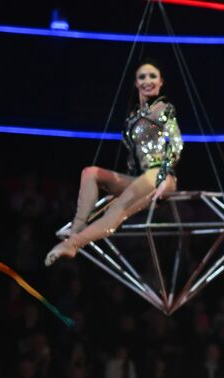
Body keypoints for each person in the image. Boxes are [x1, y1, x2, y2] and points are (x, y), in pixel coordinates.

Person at [45, 61, 182, 267]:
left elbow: (177, 144)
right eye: (142, 77)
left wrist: (163, 177)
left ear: (161, 82)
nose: (148, 81)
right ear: (136, 83)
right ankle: (76, 230)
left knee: (118, 208)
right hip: (140, 178)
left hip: (161, 177)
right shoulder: (133, 116)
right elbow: (134, 157)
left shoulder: (163, 109)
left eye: (153, 76)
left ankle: (73, 243)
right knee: (90, 173)